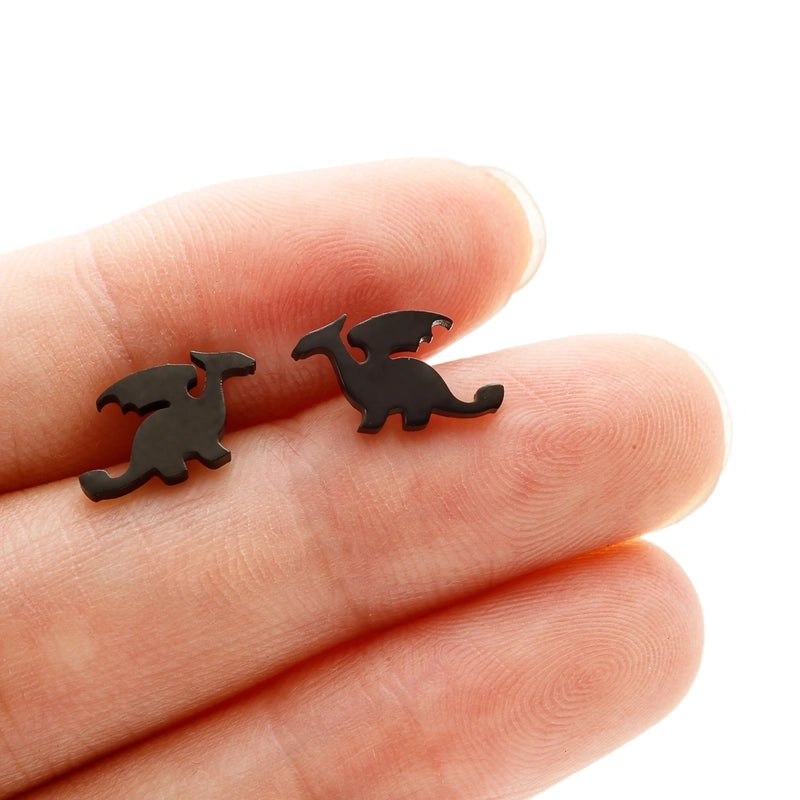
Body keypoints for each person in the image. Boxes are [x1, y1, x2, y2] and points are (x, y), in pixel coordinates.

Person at [0, 159, 727, 799]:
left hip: (395, 399)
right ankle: (179, 460)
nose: (317, 355)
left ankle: (399, 414)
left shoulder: (362, 363)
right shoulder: (191, 399)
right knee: (194, 439)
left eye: (326, 348)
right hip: (173, 451)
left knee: (386, 397)